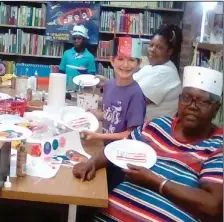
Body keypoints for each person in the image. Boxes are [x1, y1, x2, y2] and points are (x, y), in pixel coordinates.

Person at [74, 66, 223, 222]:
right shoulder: (157, 126)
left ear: (216, 109)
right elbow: (117, 149)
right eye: (186, 97)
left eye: (202, 101)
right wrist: (91, 163)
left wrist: (156, 182)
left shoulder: (217, 148)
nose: (192, 106)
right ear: (179, 99)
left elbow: (213, 205)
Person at [81, 37, 147, 191]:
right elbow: (112, 114)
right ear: (112, 60)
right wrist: (96, 115)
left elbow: (130, 134)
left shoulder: (136, 94)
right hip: (104, 149)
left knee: (109, 190)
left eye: (131, 60)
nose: (125, 65)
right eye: (120, 59)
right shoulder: (110, 84)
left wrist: (97, 136)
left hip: (120, 156)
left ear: (139, 64)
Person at [133, 24, 183, 120]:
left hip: (151, 129)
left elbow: (135, 99)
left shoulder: (166, 72)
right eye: (151, 45)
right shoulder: (150, 67)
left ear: (169, 51)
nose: (152, 50)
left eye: (159, 48)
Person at [59, 25, 96, 91]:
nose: (76, 41)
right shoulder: (67, 53)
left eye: (79, 38)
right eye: (74, 38)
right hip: (66, 90)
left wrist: (84, 73)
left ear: (84, 40)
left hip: (82, 92)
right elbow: (61, 72)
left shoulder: (90, 57)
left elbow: (92, 79)